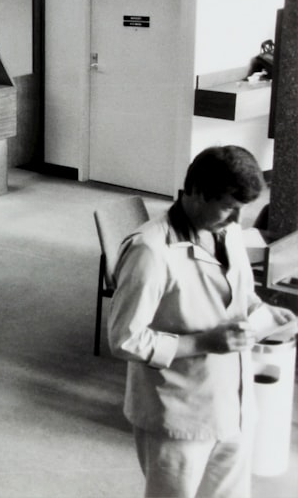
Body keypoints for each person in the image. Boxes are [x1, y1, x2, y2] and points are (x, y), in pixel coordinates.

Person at [107, 145, 297, 498]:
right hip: (178, 416)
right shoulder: (150, 251)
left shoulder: (230, 232)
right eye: (227, 207)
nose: (235, 219)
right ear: (195, 191)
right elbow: (124, 338)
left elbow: (239, 296)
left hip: (234, 407)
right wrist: (204, 343)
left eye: (241, 210)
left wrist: (265, 313)